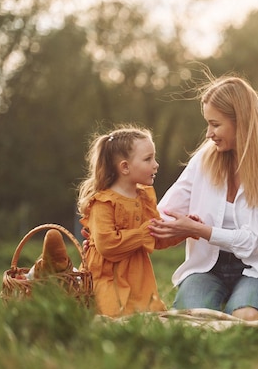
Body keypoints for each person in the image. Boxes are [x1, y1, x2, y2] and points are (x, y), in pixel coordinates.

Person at [148, 71, 258, 321]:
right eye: (208, 123)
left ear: (240, 122)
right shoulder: (204, 159)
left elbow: (253, 240)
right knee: (191, 320)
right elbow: (165, 212)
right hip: (207, 267)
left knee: (244, 319)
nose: (209, 133)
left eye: (215, 124)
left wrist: (201, 231)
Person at [77, 126, 183, 317]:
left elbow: (156, 237)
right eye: (148, 159)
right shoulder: (103, 202)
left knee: (149, 316)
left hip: (138, 280)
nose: (156, 164)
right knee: (113, 316)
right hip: (107, 279)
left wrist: (183, 231)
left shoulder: (143, 198)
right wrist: (143, 234)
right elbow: (107, 245)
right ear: (125, 167)